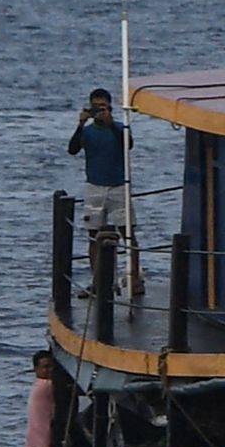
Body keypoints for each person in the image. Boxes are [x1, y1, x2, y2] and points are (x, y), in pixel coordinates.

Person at [68, 88, 142, 294]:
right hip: (95, 186)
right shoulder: (88, 132)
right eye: (96, 107)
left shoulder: (119, 128)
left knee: (128, 233)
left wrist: (111, 126)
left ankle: (135, 279)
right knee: (94, 235)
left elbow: (129, 145)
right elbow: (72, 149)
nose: (100, 111)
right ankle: (98, 281)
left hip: (119, 186)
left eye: (104, 107)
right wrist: (80, 123)